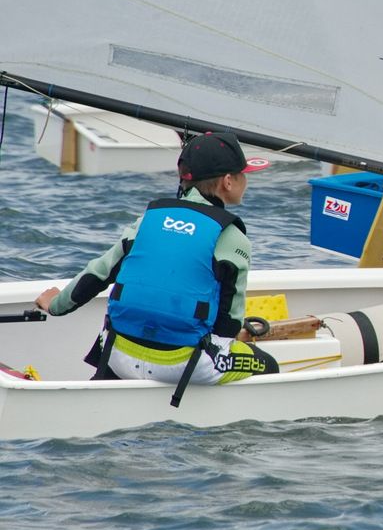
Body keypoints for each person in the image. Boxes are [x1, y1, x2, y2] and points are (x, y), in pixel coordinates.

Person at [32, 131, 277, 385]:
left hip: (117, 355)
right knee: (268, 364)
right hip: (181, 365)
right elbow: (228, 323)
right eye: (243, 175)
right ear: (228, 181)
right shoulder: (232, 236)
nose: (246, 180)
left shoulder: (148, 221)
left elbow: (99, 273)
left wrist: (56, 304)